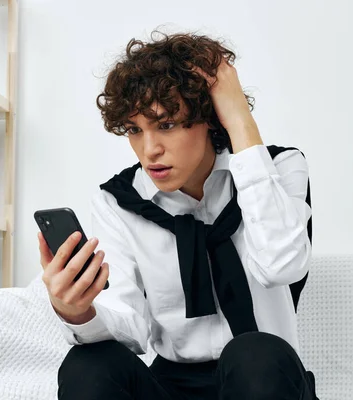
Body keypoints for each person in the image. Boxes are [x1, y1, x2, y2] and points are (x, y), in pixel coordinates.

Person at [38, 30, 318, 400]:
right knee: (86, 365)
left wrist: (239, 120)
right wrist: (75, 311)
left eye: (166, 125)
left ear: (210, 119)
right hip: (171, 386)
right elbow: (129, 328)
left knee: (255, 353)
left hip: (265, 380)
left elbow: (282, 266)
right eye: (135, 130)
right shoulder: (118, 201)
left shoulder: (278, 169)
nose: (149, 149)